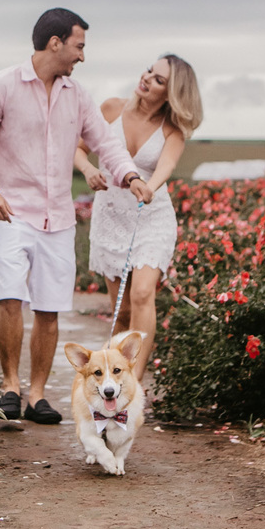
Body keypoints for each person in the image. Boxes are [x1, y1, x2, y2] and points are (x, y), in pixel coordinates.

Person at [0, 8, 154, 424]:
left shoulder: (78, 96)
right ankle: (10, 386)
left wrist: (130, 176)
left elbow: (106, 144)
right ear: (55, 43)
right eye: (79, 46)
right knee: (9, 295)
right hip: (8, 210)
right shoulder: (0, 86)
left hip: (58, 218)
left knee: (49, 308)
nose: (82, 56)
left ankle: (37, 396)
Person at [74, 54, 203, 382]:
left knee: (143, 294)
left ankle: (134, 386)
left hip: (151, 217)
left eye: (159, 80)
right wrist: (89, 170)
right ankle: (110, 383)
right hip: (110, 216)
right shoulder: (110, 109)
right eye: (150, 71)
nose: (147, 79)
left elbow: (166, 168)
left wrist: (149, 187)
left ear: (171, 94)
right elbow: (77, 148)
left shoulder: (172, 131)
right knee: (123, 312)